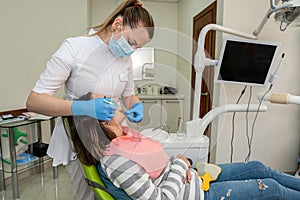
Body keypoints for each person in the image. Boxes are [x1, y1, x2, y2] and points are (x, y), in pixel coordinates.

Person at [26, 1, 154, 199]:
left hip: (114, 138)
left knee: (120, 192)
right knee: (89, 194)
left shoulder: (125, 59)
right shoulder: (75, 48)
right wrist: (83, 107)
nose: (131, 51)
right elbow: (35, 101)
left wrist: (135, 104)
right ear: (117, 24)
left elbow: (128, 94)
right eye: (130, 42)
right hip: (82, 137)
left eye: (137, 47)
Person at [66, 93, 300, 200]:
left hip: (193, 178)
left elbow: (158, 169)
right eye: (108, 100)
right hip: (195, 194)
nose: (116, 100)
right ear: (104, 120)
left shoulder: (126, 137)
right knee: (270, 188)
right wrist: (179, 164)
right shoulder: (116, 160)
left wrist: (181, 165)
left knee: (259, 167)